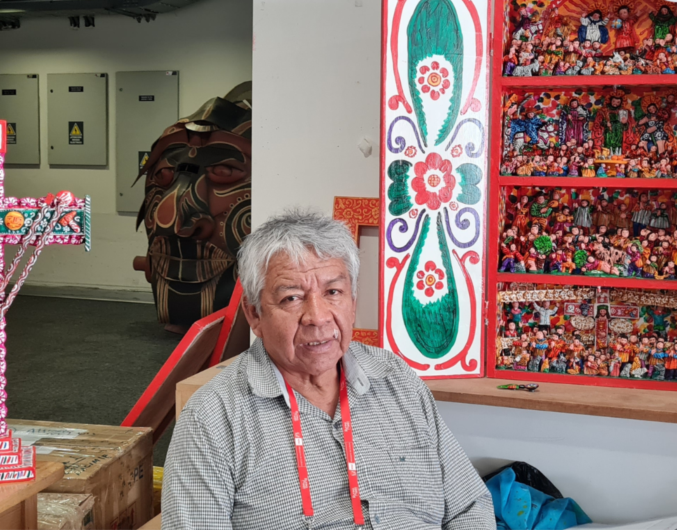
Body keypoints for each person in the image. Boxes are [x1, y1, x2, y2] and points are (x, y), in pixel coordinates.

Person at [162, 209, 494, 529]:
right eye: (292, 298)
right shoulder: (213, 419)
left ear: (352, 304)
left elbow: (468, 505)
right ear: (254, 316)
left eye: (333, 292)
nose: (318, 317)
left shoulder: (395, 379)